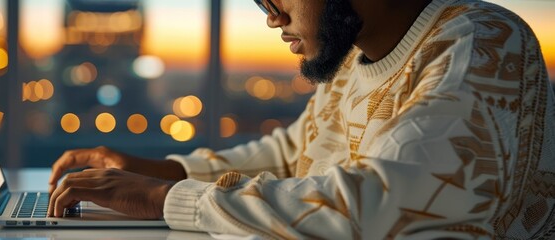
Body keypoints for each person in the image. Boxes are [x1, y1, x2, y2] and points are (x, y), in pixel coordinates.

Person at [47, 0, 555, 238]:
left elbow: (387, 201)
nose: (270, 15)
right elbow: (292, 154)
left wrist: (166, 201)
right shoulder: (355, 57)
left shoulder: (481, 40)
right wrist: (157, 172)